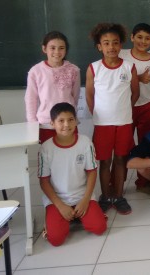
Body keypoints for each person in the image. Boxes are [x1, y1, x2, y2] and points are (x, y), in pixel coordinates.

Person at [85, 23, 139, 215]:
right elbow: (89, 95)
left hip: (124, 122)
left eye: (115, 42)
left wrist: (123, 111)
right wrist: (99, 114)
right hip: (103, 124)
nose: (111, 47)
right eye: (106, 43)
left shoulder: (129, 67)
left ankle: (118, 195)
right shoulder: (94, 68)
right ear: (99, 46)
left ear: (121, 44)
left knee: (120, 159)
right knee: (105, 161)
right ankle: (106, 196)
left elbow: (135, 93)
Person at [38, 103, 106, 246]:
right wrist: (60, 206)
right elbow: (44, 181)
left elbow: (92, 172)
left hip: (82, 196)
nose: (66, 125)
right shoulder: (46, 148)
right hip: (58, 200)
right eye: (61, 121)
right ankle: (60, 217)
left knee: (99, 227)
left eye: (70, 120)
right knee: (56, 239)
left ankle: (77, 214)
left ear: (76, 121)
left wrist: (85, 200)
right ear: (52, 124)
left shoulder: (85, 142)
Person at [119, 23, 150, 192]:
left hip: (147, 106)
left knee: (146, 144)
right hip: (125, 107)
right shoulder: (122, 55)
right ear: (132, 37)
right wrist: (137, 78)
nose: (143, 41)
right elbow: (116, 78)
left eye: (147, 39)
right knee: (124, 146)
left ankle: (143, 182)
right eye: (139, 37)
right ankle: (118, 183)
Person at [25, 31, 81, 144]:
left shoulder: (74, 70)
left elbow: (75, 95)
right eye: (52, 48)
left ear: (66, 50)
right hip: (46, 124)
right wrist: (32, 125)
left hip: (68, 124)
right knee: (48, 153)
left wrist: (70, 117)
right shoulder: (36, 71)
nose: (57, 52)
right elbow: (31, 99)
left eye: (61, 48)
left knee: (71, 152)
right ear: (44, 49)